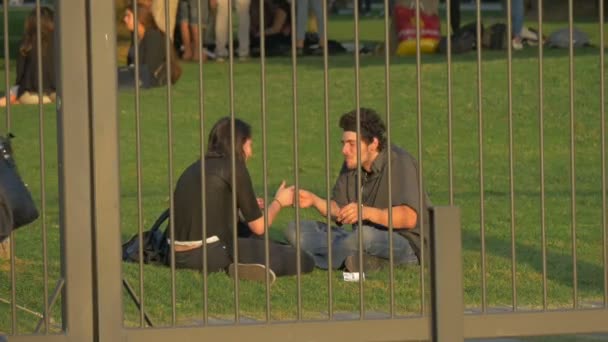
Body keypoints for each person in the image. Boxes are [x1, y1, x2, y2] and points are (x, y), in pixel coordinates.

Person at [284, 108, 431, 273]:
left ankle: (311, 258)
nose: (344, 150)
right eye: (344, 143)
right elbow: (339, 210)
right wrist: (315, 201)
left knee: (363, 236)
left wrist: (366, 212)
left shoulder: (400, 162)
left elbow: (409, 218)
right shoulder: (353, 163)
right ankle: (366, 261)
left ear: (373, 143)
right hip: (358, 237)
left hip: (406, 243)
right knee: (294, 230)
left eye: (352, 144)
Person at [169, 117, 315, 283]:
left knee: (261, 241)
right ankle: (236, 266)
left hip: (175, 255)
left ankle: (237, 264)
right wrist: (279, 201)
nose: (251, 153)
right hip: (209, 253)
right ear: (240, 143)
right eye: (250, 145)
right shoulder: (234, 167)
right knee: (302, 259)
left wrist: (239, 208)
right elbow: (259, 226)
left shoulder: (195, 167)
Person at [0, 6, 56, 107]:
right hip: (56, 91)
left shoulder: (26, 43)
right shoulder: (59, 42)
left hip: (30, 94)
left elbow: (20, 76)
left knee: (14, 91)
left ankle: (13, 100)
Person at [119, 2, 182, 89]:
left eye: (128, 16)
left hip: (152, 79)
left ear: (139, 18)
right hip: (139, 77)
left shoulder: (153, 36)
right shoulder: (137, 36)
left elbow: (149, 68)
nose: (125, 19)